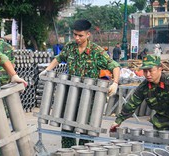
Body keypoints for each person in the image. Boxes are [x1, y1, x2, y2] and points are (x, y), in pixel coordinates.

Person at [39, 19, 121, 148]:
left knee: (87, 133)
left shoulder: (96, 51)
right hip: (71, 97)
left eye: (80, 35)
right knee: (67, 130)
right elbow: (59, 58)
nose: (77, 38)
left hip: (89, 100)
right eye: (75, 34)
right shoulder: (70, 47)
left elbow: (115, 66)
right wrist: (47, 69)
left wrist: (115, 82)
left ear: (88, 35)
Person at [110, 54, 169, 142]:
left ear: (160, 69)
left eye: (151, 71)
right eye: (145, 71)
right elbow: (132, 104)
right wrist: (118, 121)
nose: (148, 74)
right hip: (164, 115)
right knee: (159, 140)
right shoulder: (144, 86)